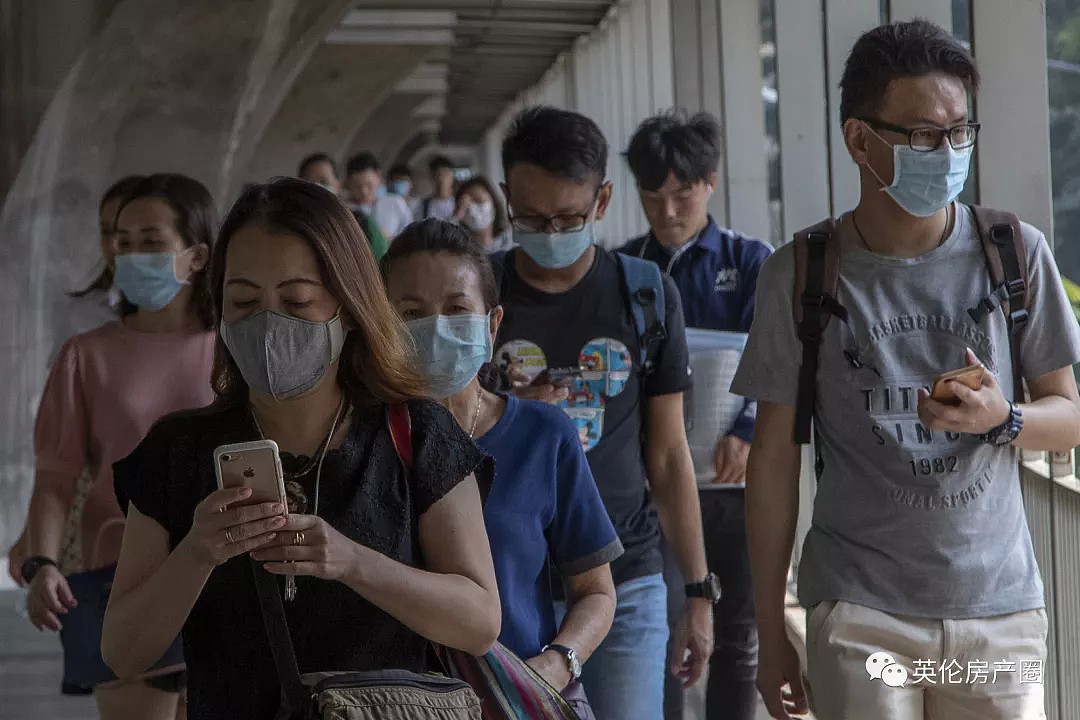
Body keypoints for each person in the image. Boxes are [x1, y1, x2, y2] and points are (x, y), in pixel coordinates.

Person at [732, 20, 1080, 720]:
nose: (947, 152)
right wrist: (770, 634)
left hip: (999, 608)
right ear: (859, 139)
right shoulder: (802, 272)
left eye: (959, 131)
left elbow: (1068, 417)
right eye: (922, 134)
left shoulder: (1014, 252)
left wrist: (1003, 418)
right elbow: (771, 459)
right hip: (860, 607)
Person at [101, 178, 501, 720]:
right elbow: (124, 653)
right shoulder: (179, 451)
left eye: (297, 301)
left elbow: (479, 622)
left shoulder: (416, 435)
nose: (268, 324)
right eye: (243, 301)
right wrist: (197, 551)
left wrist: (352, 562)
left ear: (350, 305)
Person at [492, 106, 715, 720]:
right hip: (506, 581)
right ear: (506, 197)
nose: (551, 231)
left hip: (627, 577)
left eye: (569, 217)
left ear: (603, 199)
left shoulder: (643, 294)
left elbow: (669, 456)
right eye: (532, 217)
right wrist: (510, 417)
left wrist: (697, 592)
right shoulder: (477, 296)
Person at [382, 218, 621, 716]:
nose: (437, 327)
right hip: (397, 704)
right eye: (412, 313)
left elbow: (595, 591)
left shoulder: (542, 434)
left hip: (518, 699)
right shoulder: (365, 442)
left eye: (456, 309)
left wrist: (557, 664)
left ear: (491, 325)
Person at [23, 173, 220, 719]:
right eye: (123, 242)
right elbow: (56, 477)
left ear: (197, 254)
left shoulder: (235, 348)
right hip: (119, 575)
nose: (131, 255)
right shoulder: (86, 355)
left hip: (228, 575)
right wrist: (39, 563)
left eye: (152, 242)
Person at [620, 111, 773, 720]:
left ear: (710, 182)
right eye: (652, 198)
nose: (667, 212)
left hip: (734, 481)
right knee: (656, 630)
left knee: (736, 636)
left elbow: (777, 363)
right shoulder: (626, 270)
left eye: (682, 194)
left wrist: (748, 431)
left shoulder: (752, 262)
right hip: (652, 487)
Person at [8, 175, 145, 588]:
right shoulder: (80, 319)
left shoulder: (204, 332)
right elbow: (61, 436)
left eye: (137, 234)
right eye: (108, 232)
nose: (118, 245)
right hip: (95, 498)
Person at [344, 151, 412, 241]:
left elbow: (411, 234)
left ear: (378, 178)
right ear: (348, 183)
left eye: (369, 185)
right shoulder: (344, 208)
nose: (363, 191)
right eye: (357, 186)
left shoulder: (395, 203)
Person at [451, 175, 515, 253]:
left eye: (478, 201)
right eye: (465, 205)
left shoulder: (511, 241)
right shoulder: (459, 248)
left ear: (493, 203)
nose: (471, 209)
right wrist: (455, 217)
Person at [420, 155, 457, 221]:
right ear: (431, 177)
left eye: (445, 174)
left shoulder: (459, 203)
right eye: (437, 175)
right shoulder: (423, 205)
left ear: (452, 177)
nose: (441, 179)